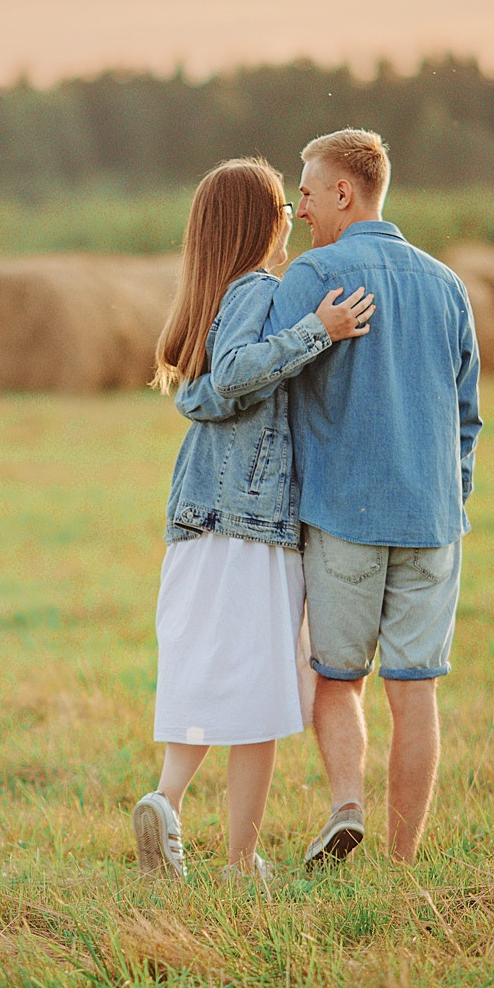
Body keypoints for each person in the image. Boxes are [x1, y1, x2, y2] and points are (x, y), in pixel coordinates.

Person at [132, 157, 376, 883]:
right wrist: (319, 330)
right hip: (250, 529)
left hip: (202, 524)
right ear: (256, 223)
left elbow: (203, 392)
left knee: (208, 678)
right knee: (264, 697)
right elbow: (235, 375)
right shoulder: (257, 291)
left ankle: (164, 801)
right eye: (280, 206)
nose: (291, 216)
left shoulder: (212, 295)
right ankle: (240, 860)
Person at [264, 129, 482, 867]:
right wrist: (450, 499)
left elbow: (265, 385)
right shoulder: (447, 283)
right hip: (433, 521)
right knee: (414, 691)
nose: (299, 208)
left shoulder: (311, 273)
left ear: (342, 193)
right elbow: (466, 416)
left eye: (306, 191)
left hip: (342, 515)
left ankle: (345, 806)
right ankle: (401, 865)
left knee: (336, 678)